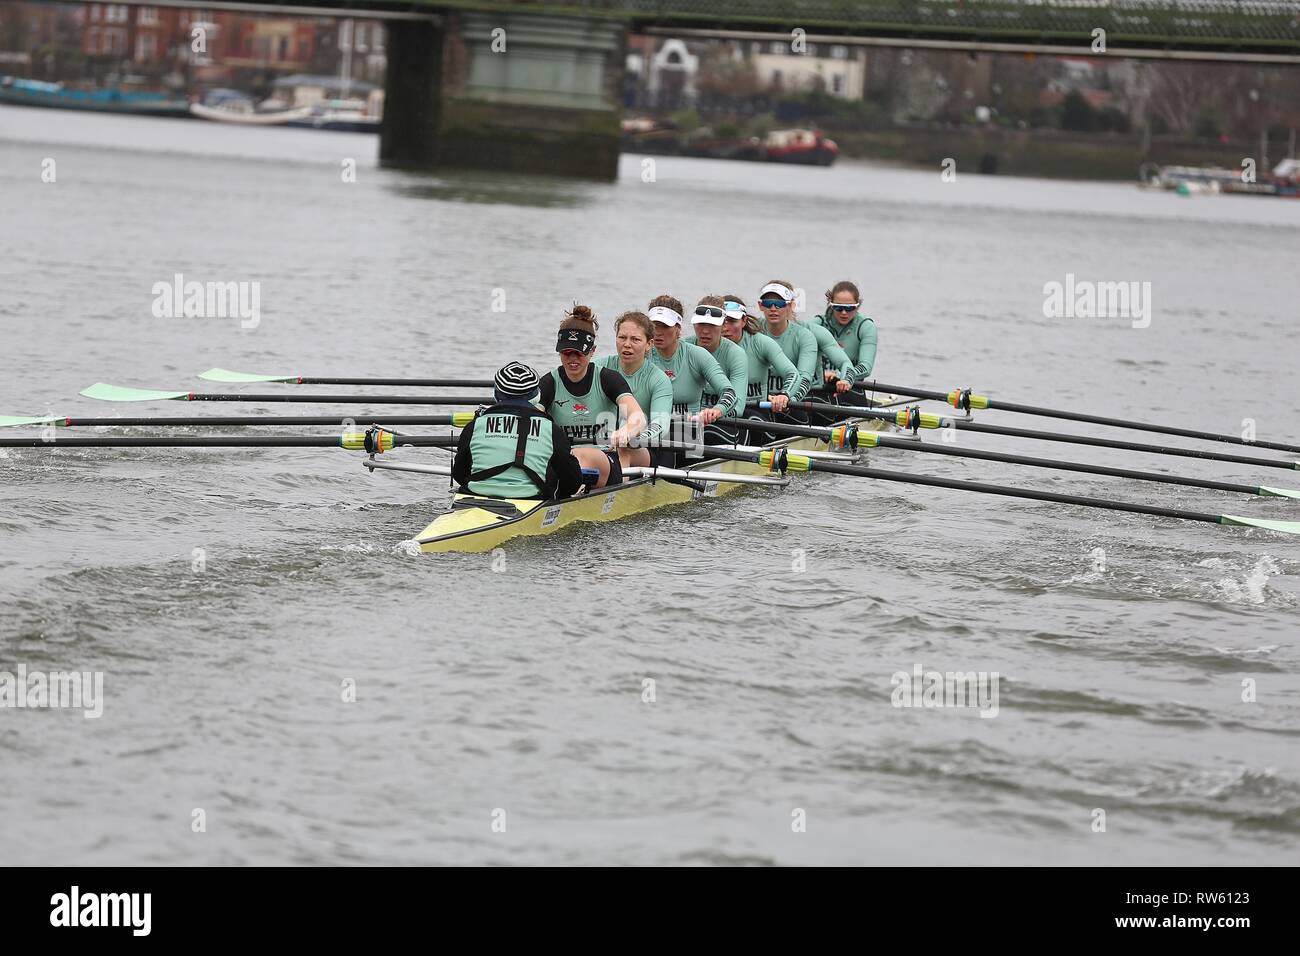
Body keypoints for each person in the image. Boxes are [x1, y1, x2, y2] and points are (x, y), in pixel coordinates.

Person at [538, 305, 645, 488]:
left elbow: (638, 417)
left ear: (592, 351)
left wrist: (626, 431)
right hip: (563, 460)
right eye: (566, 352)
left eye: (579, 353)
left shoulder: (608, 379)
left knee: (581, 455)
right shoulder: (549, 383)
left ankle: (563, 489)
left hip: (604, 458)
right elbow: (528, 419)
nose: (572, 359)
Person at [451, 362, 583, 500]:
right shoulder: (551, 429)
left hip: (475, 495)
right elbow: (573, 482)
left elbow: (459, 473)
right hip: (530, 500)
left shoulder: (475, 425)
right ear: (536, 395)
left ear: (496, 393)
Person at [645, 294, 737, 464]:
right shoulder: (641, 355)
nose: (657, 332)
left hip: (687, 433)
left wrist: (717, 410)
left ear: (678, 328)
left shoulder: (696, 355)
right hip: (650, 432)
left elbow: (729, 392)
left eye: (664, 326)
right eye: (653, 326)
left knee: (665, 445)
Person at [719, 294, 805, 445]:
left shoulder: (760, 342)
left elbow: (793, 374)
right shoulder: (702, 346)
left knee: (742, 419)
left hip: (757, 414)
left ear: (744, 321)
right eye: (721, 321)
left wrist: (784, 395)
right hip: (719, 414)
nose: (725, 328)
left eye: (732, 321)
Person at [596, 310, 673, 468]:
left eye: (635, 339)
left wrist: (633, 437)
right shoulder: (598, 368)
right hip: (603, 444)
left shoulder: (658, 379)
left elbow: (661, 424)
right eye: (622, 338)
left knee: (622, 449)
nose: (627, 344)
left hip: (643, 447)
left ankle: (614, 490)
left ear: (649, 345)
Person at [683, 295, 748, 446]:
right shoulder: (683, 347)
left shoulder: (736, 354)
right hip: (690, 422)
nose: (705, 331)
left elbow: (737, 408)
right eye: (701, 323)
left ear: (724, 324)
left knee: (702, 433)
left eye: (712, 325)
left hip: (724, 423)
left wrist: (716, 412)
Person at [813, 279, 879, 414]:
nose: (844, 312)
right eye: (838, 307)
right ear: (830, 305)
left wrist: (840, 376)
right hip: (820, 386)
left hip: (851, 387)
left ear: (858, 306)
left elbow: (865, 367)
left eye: (850, 308)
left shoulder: (865, 327)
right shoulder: (817, 324)